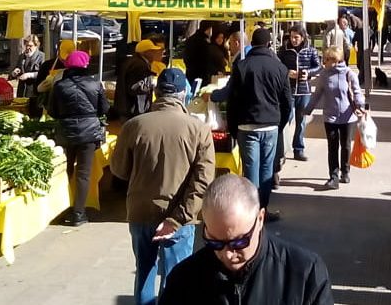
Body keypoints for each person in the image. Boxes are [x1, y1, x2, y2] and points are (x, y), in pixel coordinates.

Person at [110, 67, 215, 305]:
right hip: (179, 215)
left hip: (140, 210)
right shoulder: (198, 129)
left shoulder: (134, 126)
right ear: (183, 93)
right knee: (177, 278)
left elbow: (118, 170)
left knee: (144, 272)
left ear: (157, 93)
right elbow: (203, 181)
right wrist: (178, 218)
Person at [160, 174, 333, 304]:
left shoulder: (305, 274)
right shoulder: (183, 280)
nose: (227, 254)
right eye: (214, 242)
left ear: (260, 219)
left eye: (239, 242)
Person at [224, 28, 291, 221]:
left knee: (250, 171)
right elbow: (287, 102)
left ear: (251, 43)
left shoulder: (242, 66)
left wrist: (233, 127)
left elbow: (232, 101)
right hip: (270, 125)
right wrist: (280, 123)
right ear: (270, 43)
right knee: (266, 171)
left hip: (246, 125)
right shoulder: (279, 68)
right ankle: (263, 210)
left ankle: (251, 214)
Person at [47, 50, 109, 226]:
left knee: (64, 171)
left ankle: (61, 209)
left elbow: (52, 111)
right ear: (85, 65)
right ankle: (78, 213)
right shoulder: (95, 84)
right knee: (83, 174)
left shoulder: (59, 85)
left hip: (65, 132)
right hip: (89, 133)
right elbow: (104, 109)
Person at [306, 46, 365, 190]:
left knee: (345, 145)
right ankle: (333, 176)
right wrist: (308, 108)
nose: (324, 62)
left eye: (327, 59)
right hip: (330, 117)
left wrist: (361, 105)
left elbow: (357, 91)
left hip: (348, 116)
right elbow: (317, 94)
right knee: (332, 147)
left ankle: (345, 171)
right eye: (324, 59)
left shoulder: (349, 74)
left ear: (336, 60)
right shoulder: (324, 75)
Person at [277, 25, 321, 162]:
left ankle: (298, 149)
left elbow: (318, 66)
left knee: (301, 121)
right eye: (292, 37)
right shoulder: (283, 51)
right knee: (285, 119)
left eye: (296, 37)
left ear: (302, 37)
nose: (294, 40)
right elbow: (278, 65)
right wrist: (287, 72)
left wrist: (308, 73)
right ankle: (281, 150)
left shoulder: (311, 50)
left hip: (303, 90)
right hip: (288, 89)